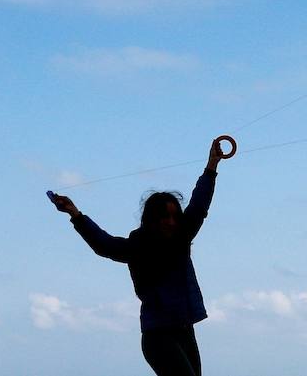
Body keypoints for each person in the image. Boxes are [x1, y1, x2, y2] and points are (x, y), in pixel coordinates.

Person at [49, 137, 230, 376]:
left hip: (185, 331)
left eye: (175, 216)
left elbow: (198, 206)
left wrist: (211, 166)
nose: (171, 221)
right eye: (165, 216)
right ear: (152, 219)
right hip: (158, 337)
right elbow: (104, 245)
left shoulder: (181, 238)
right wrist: (75, 214)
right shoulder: (139, 245)